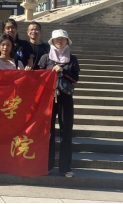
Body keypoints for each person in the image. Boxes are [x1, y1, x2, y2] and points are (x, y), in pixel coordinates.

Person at [39, 30, 80, 178]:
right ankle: (47, 165)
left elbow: (75, 79)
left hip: (65, 99)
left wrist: (63, 71)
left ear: (67, 41)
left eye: (63, 39)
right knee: (48, 133)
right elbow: (39, 77)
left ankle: (65, 168)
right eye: (57, 39)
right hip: (49, 100)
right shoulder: (46, 58)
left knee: (66, 132)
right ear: (52, 41)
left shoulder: (72, 59)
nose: (60, 42)